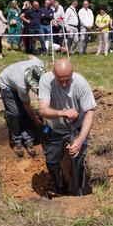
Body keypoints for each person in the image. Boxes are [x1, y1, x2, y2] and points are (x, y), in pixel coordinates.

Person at [38, 58, 96, 196]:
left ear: (73, 73)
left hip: (75, 128)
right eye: (60, 80)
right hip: (54, 128)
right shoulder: (46, 80)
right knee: (52, 162)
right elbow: (42, 110)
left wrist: (80, 139)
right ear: (53, 74)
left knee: (77, 160)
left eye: (67, 79)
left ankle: (78, 194)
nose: (64, 83)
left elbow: (90, 112)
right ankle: (60, 188)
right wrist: (62, 112)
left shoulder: (81, 83)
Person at [0, 55, 46, 157]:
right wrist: (35, 119)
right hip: (6, 85)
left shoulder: (39, 64)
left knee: (25, 112)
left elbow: (30, 56)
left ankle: (29, 141)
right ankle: (16, 142)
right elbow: (27, 106)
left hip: (14, 77)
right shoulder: (22, 85)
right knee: (15, 114)